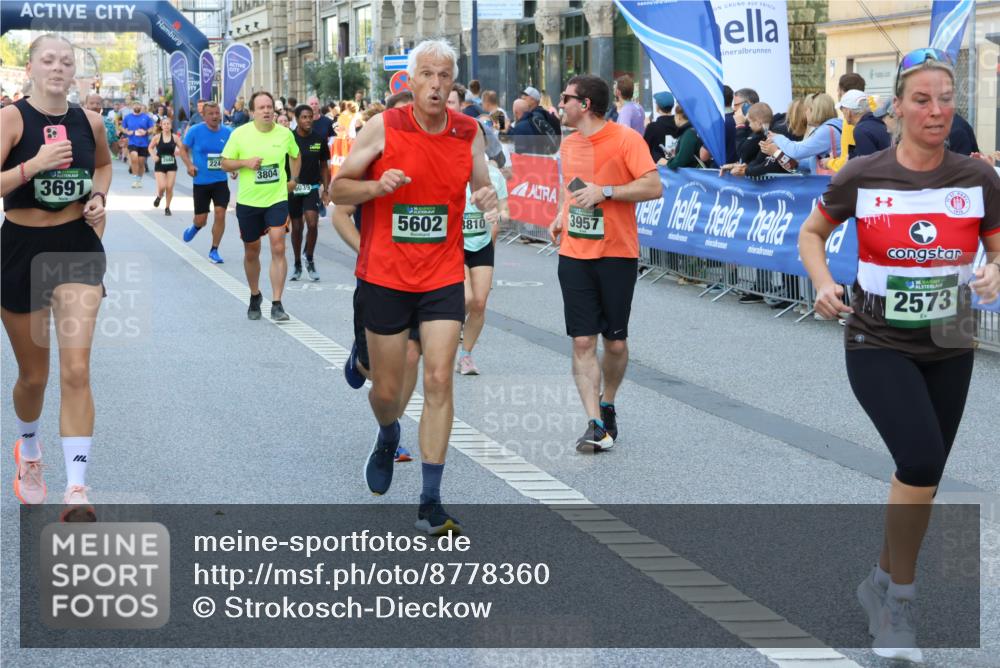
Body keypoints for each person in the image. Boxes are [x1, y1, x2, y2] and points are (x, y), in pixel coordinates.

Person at [798, 48, 1000, 664]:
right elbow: (812, 233)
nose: (936, 110)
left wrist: (995, 273)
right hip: (876, 338)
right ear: (898, 106)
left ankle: (880, 580)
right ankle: (899, 603)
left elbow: (997, 249)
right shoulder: (864, 173)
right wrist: (823, 281)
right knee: (917, 458)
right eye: (922, 99)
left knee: (925, 474)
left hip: (950, 337)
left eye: (945, 99)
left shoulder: (977, 178)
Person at [330, 38, 498, 534]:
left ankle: (431, 500)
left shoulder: (469, 132)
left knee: (440, 378)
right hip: (385, 275)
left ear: (454, 83)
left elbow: (482, 183)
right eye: (427, 74)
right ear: (412, 79)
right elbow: (337, 190)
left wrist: (487, 198)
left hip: (442, 274)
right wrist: (374, 188)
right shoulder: (385, 126)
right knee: (386, 390)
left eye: (446, 76)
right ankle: (387, 433)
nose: (437, 84)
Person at [1, 34, 112, 521]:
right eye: (48, 59)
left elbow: (103, 166)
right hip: (21, 250)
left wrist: (99, 198)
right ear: (30, 68)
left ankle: (77, 489)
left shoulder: (90, 122)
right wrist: (32, 166)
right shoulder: (10, 118)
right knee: (34, 376)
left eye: (67, 61)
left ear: (75, 71)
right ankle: (28, 449)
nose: (58, 67)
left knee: (76, 370)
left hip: (76, 248)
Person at [548, 74, 661, 453]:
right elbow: (572, 189)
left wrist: (607, 192)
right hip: (574, 253)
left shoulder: (626, 139)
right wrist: (562, 215)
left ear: (585, 105)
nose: (560, 104)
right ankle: (594, 422)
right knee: (582, 339)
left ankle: (608, 402)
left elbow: (653, 185)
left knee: (614, 342)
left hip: (616, 253)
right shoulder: (568, 145)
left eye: (566, 98)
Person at [333, 92, 416, 464]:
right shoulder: (373, 162)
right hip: (379, 276)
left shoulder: (436, 156)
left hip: (423, 278)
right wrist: (365, 249)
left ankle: (393, 429)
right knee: (377, 370)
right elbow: (339, 213)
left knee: (412, 356)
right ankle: (359, 362)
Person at [221, 91, 300, 321]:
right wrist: (245, 162)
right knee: (251, 250)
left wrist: (293, 178)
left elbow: (295, 155)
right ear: (253, 112)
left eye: (269, 107)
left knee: (278, 246)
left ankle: (277, 303)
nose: (266, 111)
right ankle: (255, 294)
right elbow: (225, 163)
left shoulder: (285, 134)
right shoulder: (240, 134)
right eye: (261, 107)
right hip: (248, 201)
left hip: (276, 198)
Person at [179, 101, 233, 264]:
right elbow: (183, 149)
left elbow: (234, 153)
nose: (215, 116)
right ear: (204, 115)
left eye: (217, 113)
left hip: (220, 181)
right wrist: (189, 165)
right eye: (211, 113)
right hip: (201, 182)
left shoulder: (228, 132)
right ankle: (196, 226)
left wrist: (234, 168)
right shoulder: (195, 131)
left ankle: (214, 249)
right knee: (201, 219)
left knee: (220, 213)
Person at [287, 104, 329, 282]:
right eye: (304, 117)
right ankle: (297, 263)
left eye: (310, 117)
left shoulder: (319, 139)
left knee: (312, 223)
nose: (308, 120)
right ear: (296, 119)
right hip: (294, 188)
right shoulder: (289, 138)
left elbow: (324, 166)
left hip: (311, 187)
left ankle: (309, 257)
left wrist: (326, 190)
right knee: (297, 228)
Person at [761, 93, 842, 174]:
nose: (805, 113)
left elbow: (796, 151)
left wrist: (777, 138)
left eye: (807, 109)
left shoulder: (825, 131)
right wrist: (777, 152)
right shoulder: (834, 127)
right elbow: (802, 165)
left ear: (814, 110)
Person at [838, 89, 891, 159]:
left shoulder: (861, 130)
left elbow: (868, 165)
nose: (843, 115)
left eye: (842, 110)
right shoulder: (877, 121)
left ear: (848, 112)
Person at [149, 116, 181, 215]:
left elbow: (182, 148)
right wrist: (153, 156)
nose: (166, 126)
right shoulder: (157, 137)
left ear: (171, 126)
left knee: (170, 186)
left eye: (168, 124)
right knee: (162, 186)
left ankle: (167, 207)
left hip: (171, 163)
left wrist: (178, 151)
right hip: (160, 164)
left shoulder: (175, 137)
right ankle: (159, 196)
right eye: (164, 124)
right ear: (161, 126)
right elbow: (150, 148)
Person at [121, 99, 154, 188]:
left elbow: (151, 128)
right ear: (132, 107)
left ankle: (139, 180)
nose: (136, 106)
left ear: (141, 107)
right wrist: (127, 132)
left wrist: (145, 132)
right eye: (135, 105)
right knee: (134, 158)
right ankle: (135, 179)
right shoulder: (128, 117)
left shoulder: (146, 117)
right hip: (132, 142)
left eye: (138, 105)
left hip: (143, 143)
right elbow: (123, 127)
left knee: (141, 163)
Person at [643, 91, 680, 163]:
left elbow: (645, 149)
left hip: (660, 170)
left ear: (657, 107)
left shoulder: (652, 127)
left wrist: (647, 127)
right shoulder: (680, 125)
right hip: (679, 168)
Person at [665, 104, 702, 168]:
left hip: (693, 174)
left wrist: (669, 163)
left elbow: (681, 160)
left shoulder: (689, 133)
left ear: (679, 116)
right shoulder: (693, 130)